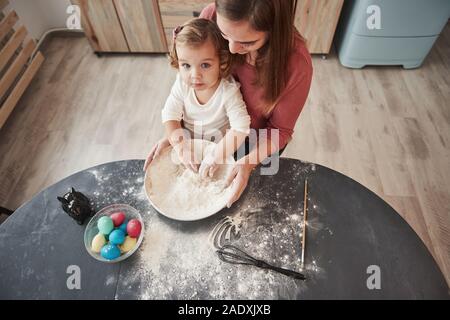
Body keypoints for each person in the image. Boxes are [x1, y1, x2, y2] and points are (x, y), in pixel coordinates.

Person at [146, 0, 313, 208]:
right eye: (225, 35)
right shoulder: (211, 17)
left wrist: (248, 162)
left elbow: (279, 130)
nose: (232, 49)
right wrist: (176, 135)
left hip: (256, 141)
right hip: (207, 134)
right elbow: (188, 80)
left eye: (247, 43)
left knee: (245, 203)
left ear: (273, 30)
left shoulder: (296, 64)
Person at [144, 18, 251, 179]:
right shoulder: (182, 83)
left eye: (205, 65)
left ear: (222, 62)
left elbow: (241, 128)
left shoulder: (228, 91)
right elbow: (170, 115)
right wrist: (181, 146)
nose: (195, 76)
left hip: (220, 149)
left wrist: (216, 155)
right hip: (190, 145)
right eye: (186, 65)